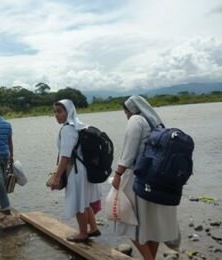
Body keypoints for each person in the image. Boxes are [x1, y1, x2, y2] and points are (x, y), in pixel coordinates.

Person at [112, 95, 180, 260]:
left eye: (125, 112)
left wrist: (118, 174)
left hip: (139, 179)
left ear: (129, 110)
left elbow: (128, 152)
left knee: (128, 221)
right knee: (152, 224)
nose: (126, 116)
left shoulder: (135, 120)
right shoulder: (156, 123)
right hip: (157, 181)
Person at [51, 99, 101, 242]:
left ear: (69, 111)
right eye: (55, 112)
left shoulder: (68, 129)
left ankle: (82, 233)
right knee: (84, 201)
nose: (56, 115)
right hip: (85, 169)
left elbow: (65, 156)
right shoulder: (80, 126)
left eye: (60, 111)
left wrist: (56, 177)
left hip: (76, 171)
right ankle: (93, 228)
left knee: (79, 203)